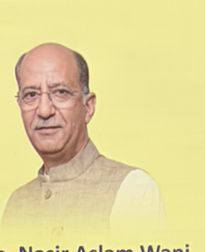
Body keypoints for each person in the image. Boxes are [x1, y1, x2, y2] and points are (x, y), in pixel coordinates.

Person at [4, 43, 164, 232]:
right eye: (31, 95)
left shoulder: (132, 189)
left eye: (60, 92)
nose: (44, 111)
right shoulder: (16, 204)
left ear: (88, 107)